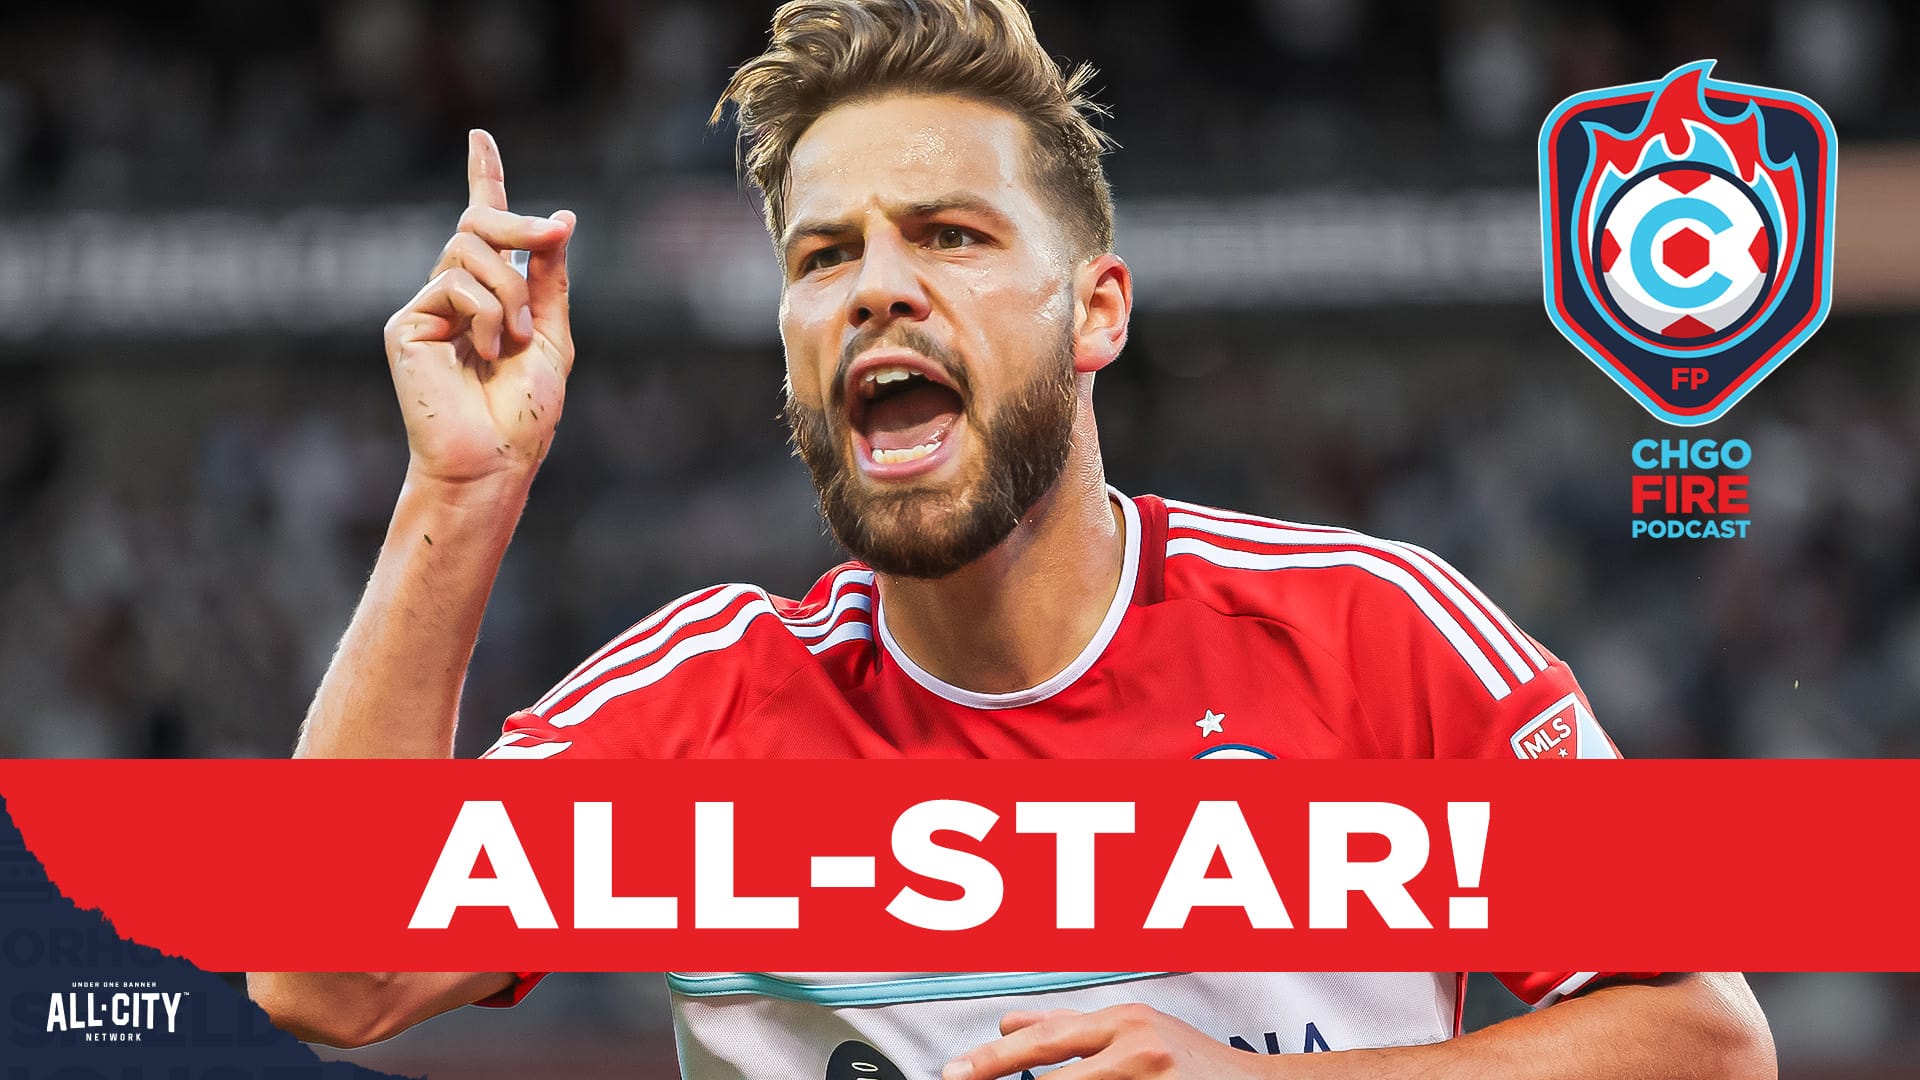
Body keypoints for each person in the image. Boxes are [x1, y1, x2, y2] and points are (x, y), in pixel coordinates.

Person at [248, 0, 1777, 1076]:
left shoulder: (1373, 638)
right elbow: (331, 975)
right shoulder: (697, 717)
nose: (877, 288)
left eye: (953, 235)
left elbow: (1705, 1038)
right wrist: (458, 498)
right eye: (826, 254)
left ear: (1094, 309)